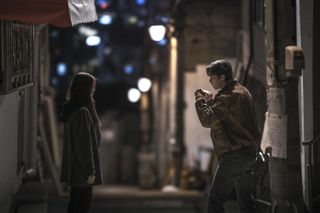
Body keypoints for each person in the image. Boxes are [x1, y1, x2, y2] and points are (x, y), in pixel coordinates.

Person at [194, 59, 260, 213]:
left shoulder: (227, 96)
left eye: (213, 77)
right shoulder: (242, 90)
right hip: (248, 154)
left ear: (222, 77)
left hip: (234, 157)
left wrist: (200, 100)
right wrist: (210, 102)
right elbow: (223, 118)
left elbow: (207, 120)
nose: (210, 81)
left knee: (214, 202)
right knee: (246, 203)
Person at [60, 72, 102, 213]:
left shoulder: (71, 109)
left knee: (75, 206)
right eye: (92, 88)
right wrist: (90, 171)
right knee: (81, 207)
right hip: (82, 173)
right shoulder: (82, 112)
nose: (93, 91)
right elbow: (84, 145)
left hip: (76, 171)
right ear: (86, 89)